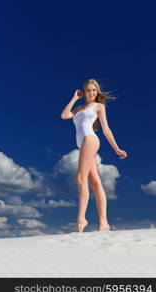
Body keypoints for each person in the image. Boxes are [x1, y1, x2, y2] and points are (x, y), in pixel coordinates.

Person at [60, 78, 127, 233]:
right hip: (82, 144)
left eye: (94, 90)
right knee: (95, 183)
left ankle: (81, 219)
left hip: (90, 139)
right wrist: (75, 98)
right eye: (88, 90)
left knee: (80, 177)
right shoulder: (78, 108)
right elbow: (64, 115)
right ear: (84, 92)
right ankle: (104, 224)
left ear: (97, 92)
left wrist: (116, 149)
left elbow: (106, 130)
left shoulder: (99, 106)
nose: (91, 93)